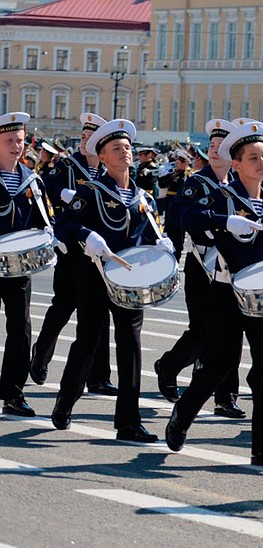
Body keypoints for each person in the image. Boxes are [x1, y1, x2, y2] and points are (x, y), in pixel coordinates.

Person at [165, 121, 263, 469]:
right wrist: (224, 221)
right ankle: (183, 412)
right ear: (235, 164)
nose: (262, 163)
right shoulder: (223, 195)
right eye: (252, 158)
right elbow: (180, 214)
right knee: (218, 366)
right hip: (226, 292)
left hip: (262, 293)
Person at [51, 119, 170, 442]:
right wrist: (86, 234)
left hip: (131, 280)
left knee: (130, 346)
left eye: (128, 148)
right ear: (102, 157)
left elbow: (152, 233)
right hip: (95, 275)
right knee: (88, 340)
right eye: (116, 148)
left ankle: (128, 421)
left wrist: (161, 244)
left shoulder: (142, 197)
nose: (125, 153)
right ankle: (66, 399)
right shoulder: (90, 192)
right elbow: (62, 226)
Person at [153, 119, 244, 418]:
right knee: (203, 330)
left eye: (223, 147)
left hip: (233, 266)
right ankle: (169, 366)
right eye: (213, 146)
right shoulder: (196, 183)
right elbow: (179, 216)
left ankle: (226, 397)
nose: (215, 151)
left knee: (232, 332)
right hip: (201, 264)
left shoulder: (241, 185)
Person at [31, 113, 115, 395]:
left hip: (97, 252)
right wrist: (64, 193)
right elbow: (45, 186)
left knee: (99, 315)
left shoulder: (107, 172)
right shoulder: (68, 165)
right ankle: (40, 356)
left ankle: (99, 377)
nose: (84, 141)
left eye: (90, 138)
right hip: (71, 248)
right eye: (82, 137)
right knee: (63, 306)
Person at [0, 111, 51, 418]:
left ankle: (13, 393)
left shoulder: (32, 180)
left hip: (18, 266)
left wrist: (46, 231)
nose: (16, 146)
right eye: (8, 140)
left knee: (21, 328)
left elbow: (45, 218)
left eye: (19, 140)